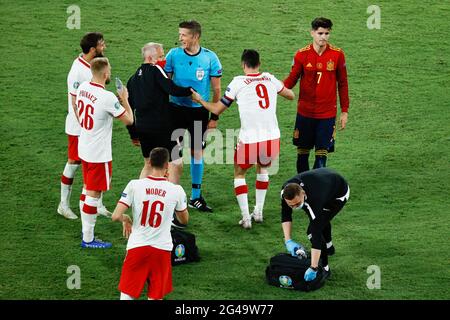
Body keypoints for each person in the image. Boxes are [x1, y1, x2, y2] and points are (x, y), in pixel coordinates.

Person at [191, 49, 295, 229]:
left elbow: (216, 110)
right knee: (263, 170)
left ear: (243, 64)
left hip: (249, 139)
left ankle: (246, 218)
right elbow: (291, 95)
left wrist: (200, 100)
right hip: (272, 138)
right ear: (259, 64)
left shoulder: (238, 82)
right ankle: (259, 212)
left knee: (239, 174)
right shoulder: (269, 78)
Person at [111, 147, 189, 300]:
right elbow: (184, 220)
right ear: (167, 165)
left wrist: (125, 219)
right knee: (155, 297)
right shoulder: (176, 190)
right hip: (161, 250)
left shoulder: (134, 185)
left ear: (150, 163)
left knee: (127, 295)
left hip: (137, 247)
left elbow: (115, 215)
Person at [164, 20, 222, 212]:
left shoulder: (210, 58)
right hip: (175, 110)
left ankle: (195, 197)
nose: (180, 38)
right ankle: (171, 196)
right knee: (174, 153)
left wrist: (214, 116)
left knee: (197, 151)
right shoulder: (173, 55)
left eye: (184, 35)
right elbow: (165, 84)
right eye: (180, 34)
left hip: (198, 113)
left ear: (195, 36)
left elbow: (217, 89)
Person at [77, 57, 134, 248]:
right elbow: (129, 121)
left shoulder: (83, 87)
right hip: (98, 153)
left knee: (87, 189)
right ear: (106, 74)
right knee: (93, 194)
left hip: (84, 146)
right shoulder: (107, 97)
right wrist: (124, 99)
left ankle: (85, 230)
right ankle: (88, 238)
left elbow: (79, 108)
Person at [283, 17, 349, 173]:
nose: (323, 37)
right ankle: (302, 189)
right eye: (320, 33)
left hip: (326, 114)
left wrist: (344, 111)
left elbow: (343, 83)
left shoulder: (337, 55)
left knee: (321, 155)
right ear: (312, 33)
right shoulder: (301, 55)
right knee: (302, 155)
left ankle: (314, 191)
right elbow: (291, 80)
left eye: (327, 33)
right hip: (305, 112)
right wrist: (273, 86)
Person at [58, 32, 112, 219]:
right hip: (78, 126)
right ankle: (63, 204)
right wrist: (86, 124)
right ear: (92, 49)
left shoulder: (96, 64)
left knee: (96, 161)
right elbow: (74, 102)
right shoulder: (78, 70)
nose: (104, 47)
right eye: (101, 44)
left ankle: (96, 203)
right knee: (74, 162)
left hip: (91, 126)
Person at [126, 42, 192, 179]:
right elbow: (172, 89)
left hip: (143, 128)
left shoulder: (132, 80)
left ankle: (141, 197)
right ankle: (171, 197)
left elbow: (129, 110)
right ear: (150, 58)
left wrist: (133, 133)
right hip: (162, 127)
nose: (164, 60)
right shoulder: (156, 70)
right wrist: (190, 91)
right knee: (176, 162)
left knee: (149, 165)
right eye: (161, 56)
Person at [280, 168, 350, 281]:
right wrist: (288, 240)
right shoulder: (285, 191)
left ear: (303, 193)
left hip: (338, 192)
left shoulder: (314, 200)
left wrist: (313, 267)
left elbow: (316, 233)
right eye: (291, 205)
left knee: (312, 231)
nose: (294, 207)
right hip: (325, 180)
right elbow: (285, 214)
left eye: (297, 203)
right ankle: (329, 248)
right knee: (322, 220)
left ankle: (325, 269)